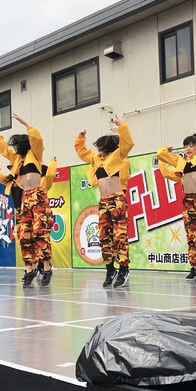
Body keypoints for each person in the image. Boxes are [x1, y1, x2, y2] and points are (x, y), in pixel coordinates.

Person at [0, 114, 54, 286]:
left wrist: (26, 124)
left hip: (38, 196)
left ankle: (46, 268)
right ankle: (29, 269)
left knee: (40, 232)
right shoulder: (17, 160)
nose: (16, 148)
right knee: (24, 235)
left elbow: (37, 139)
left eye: (19, 145)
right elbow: (4, 149)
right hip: (25, 198)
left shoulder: (36, 154)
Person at [157, 122, 196, 285]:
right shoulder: (181, 162)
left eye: (191, 146)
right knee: (193, 237)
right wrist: (166, 151)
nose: (188, 149)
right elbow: (162, 162)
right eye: (185, 146)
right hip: (188, 202)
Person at [75, 114, 134, 287]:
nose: (98, 149)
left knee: (119, 236)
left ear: (108, 147)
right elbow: (82, 152)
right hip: (103, 201)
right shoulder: (95, 159)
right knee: (104, 236)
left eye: (101, 146)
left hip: (117, 200)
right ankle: (110, 270)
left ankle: (123, 269)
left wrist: (121, 126)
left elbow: (128, 144)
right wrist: (81, 138)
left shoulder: (119, 156)